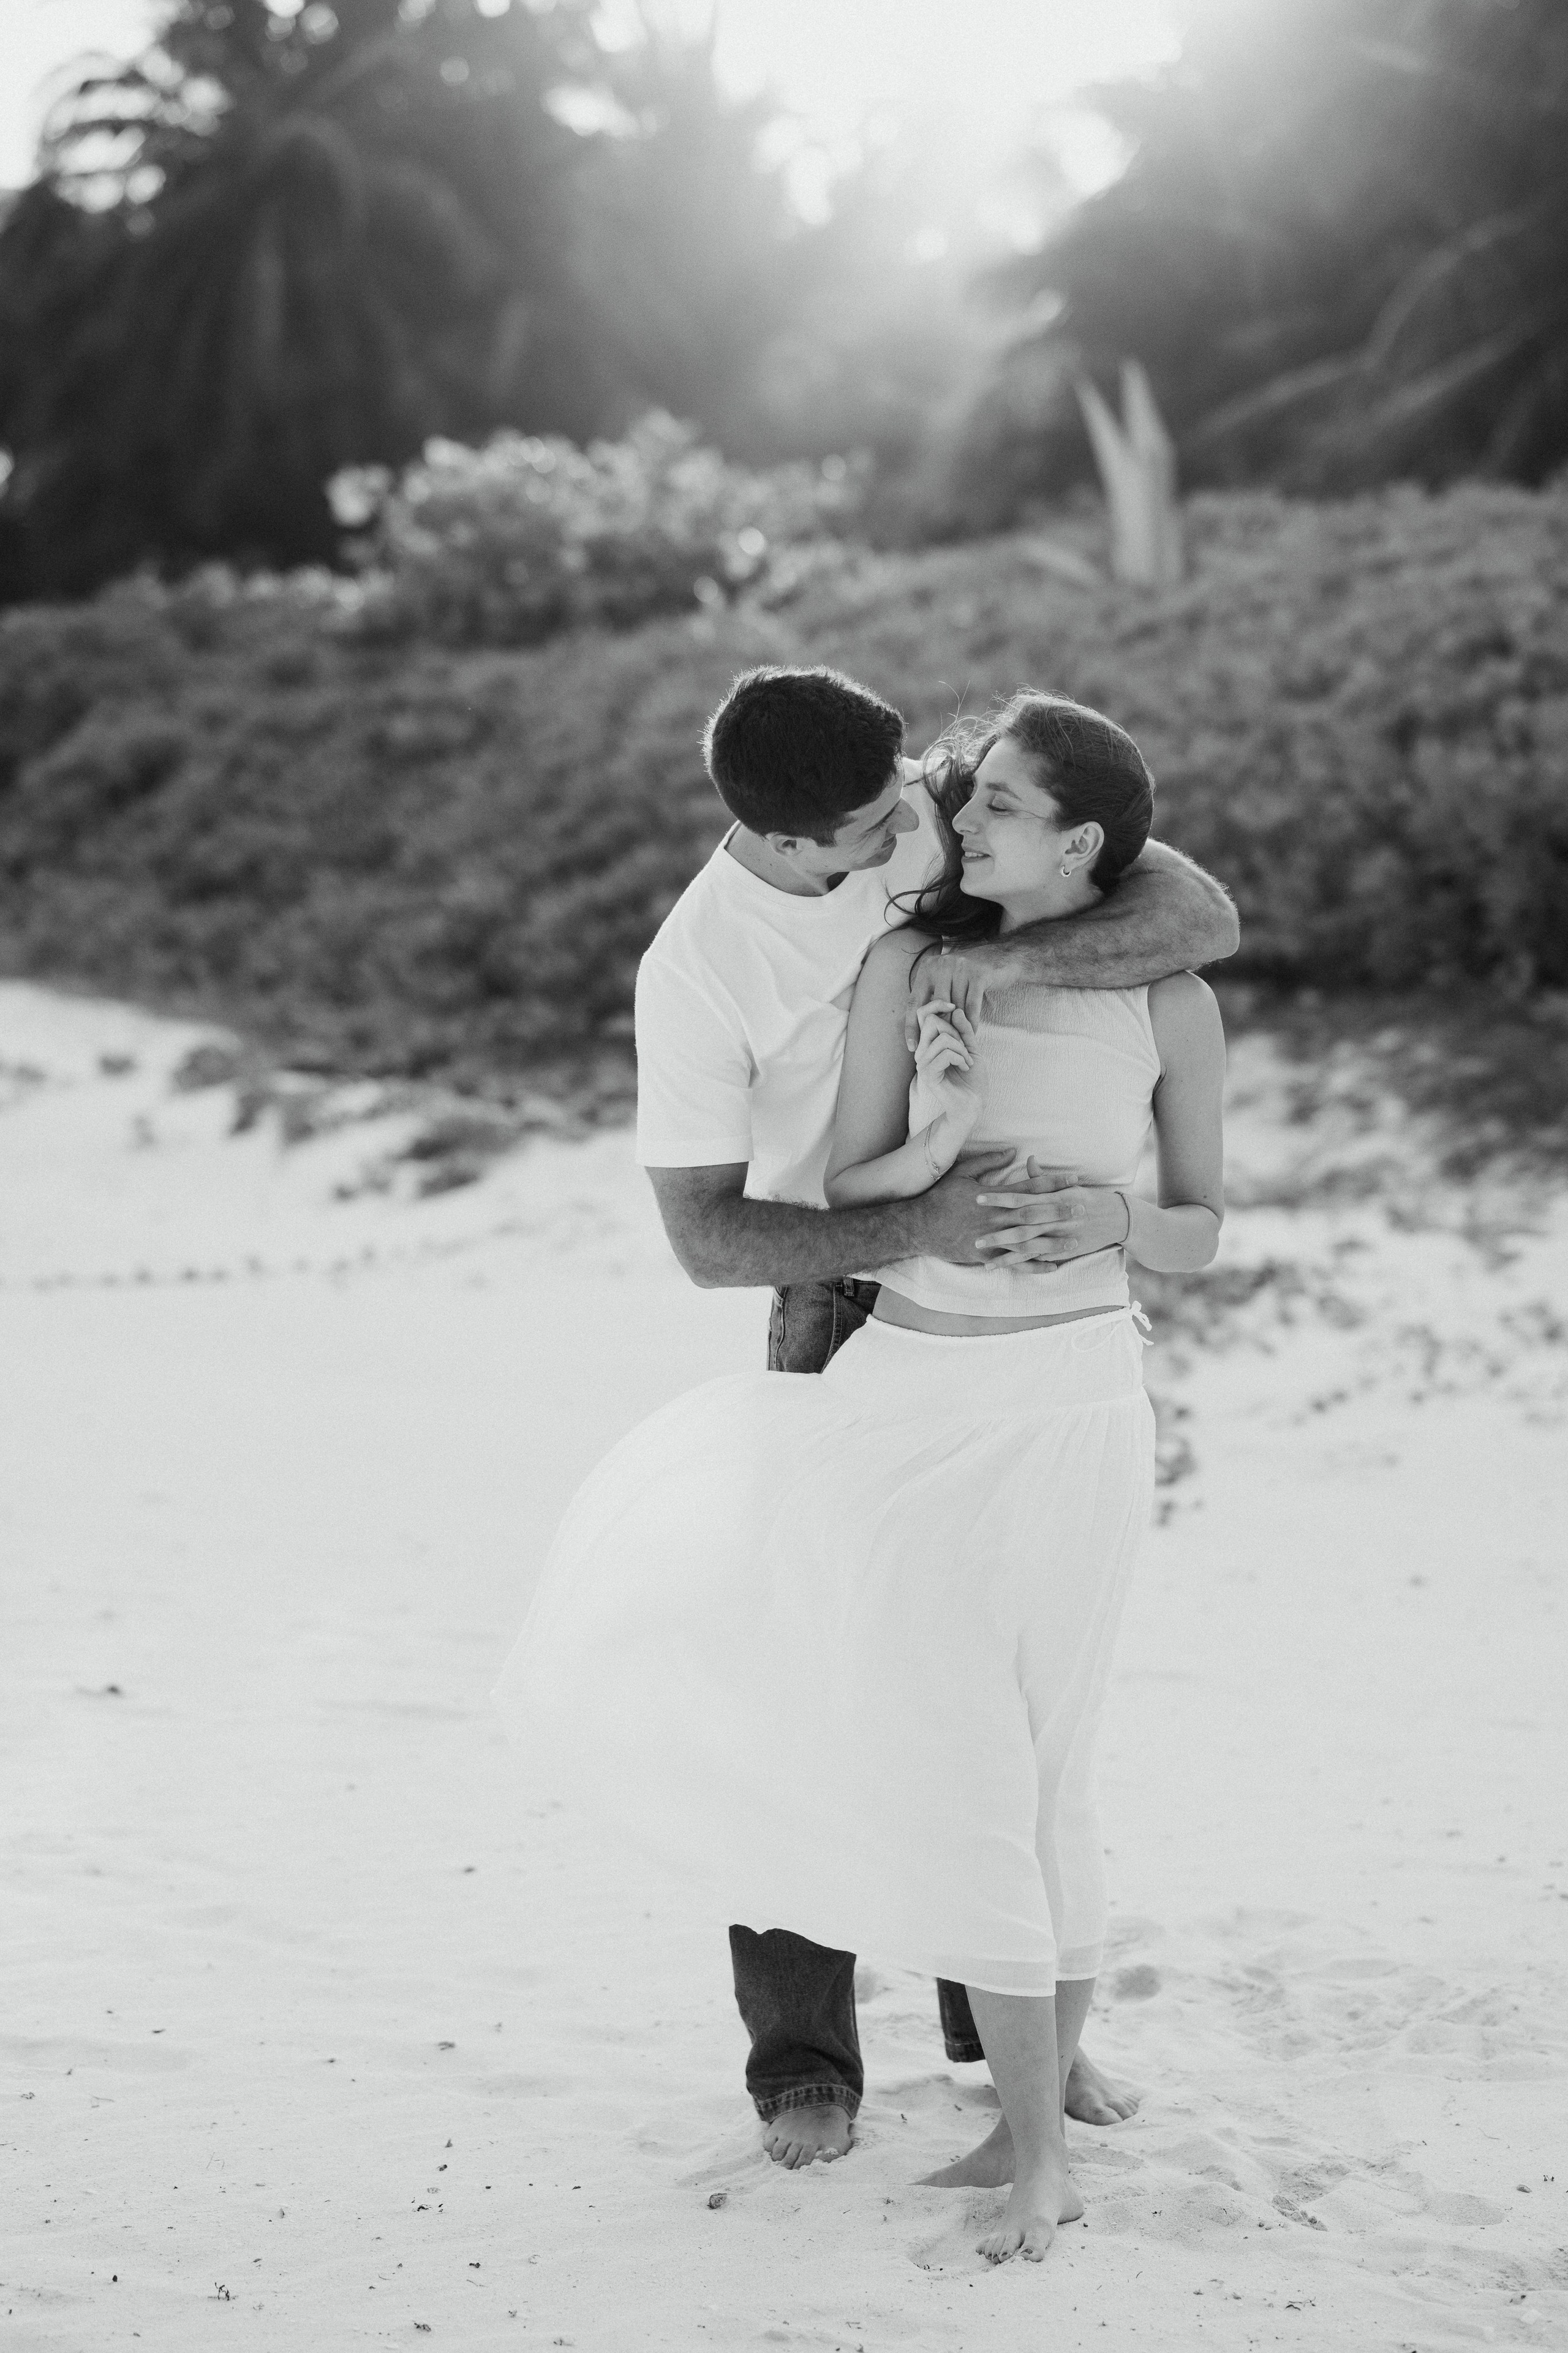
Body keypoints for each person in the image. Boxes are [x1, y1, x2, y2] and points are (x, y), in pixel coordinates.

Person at [494, 687, 1225, 2260]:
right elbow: (705, 1237)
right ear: (774, 839)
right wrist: (918, 1218)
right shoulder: (696, 970)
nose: (919, 826)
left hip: (1040, 1327)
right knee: (809, 1681)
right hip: (839, 1286)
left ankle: (1008, 2036)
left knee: (995, 1700)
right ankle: (806, 2063)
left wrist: (986, 963)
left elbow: (1181, 900)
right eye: (876, 829)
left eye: (924, 799)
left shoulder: (916, 819)